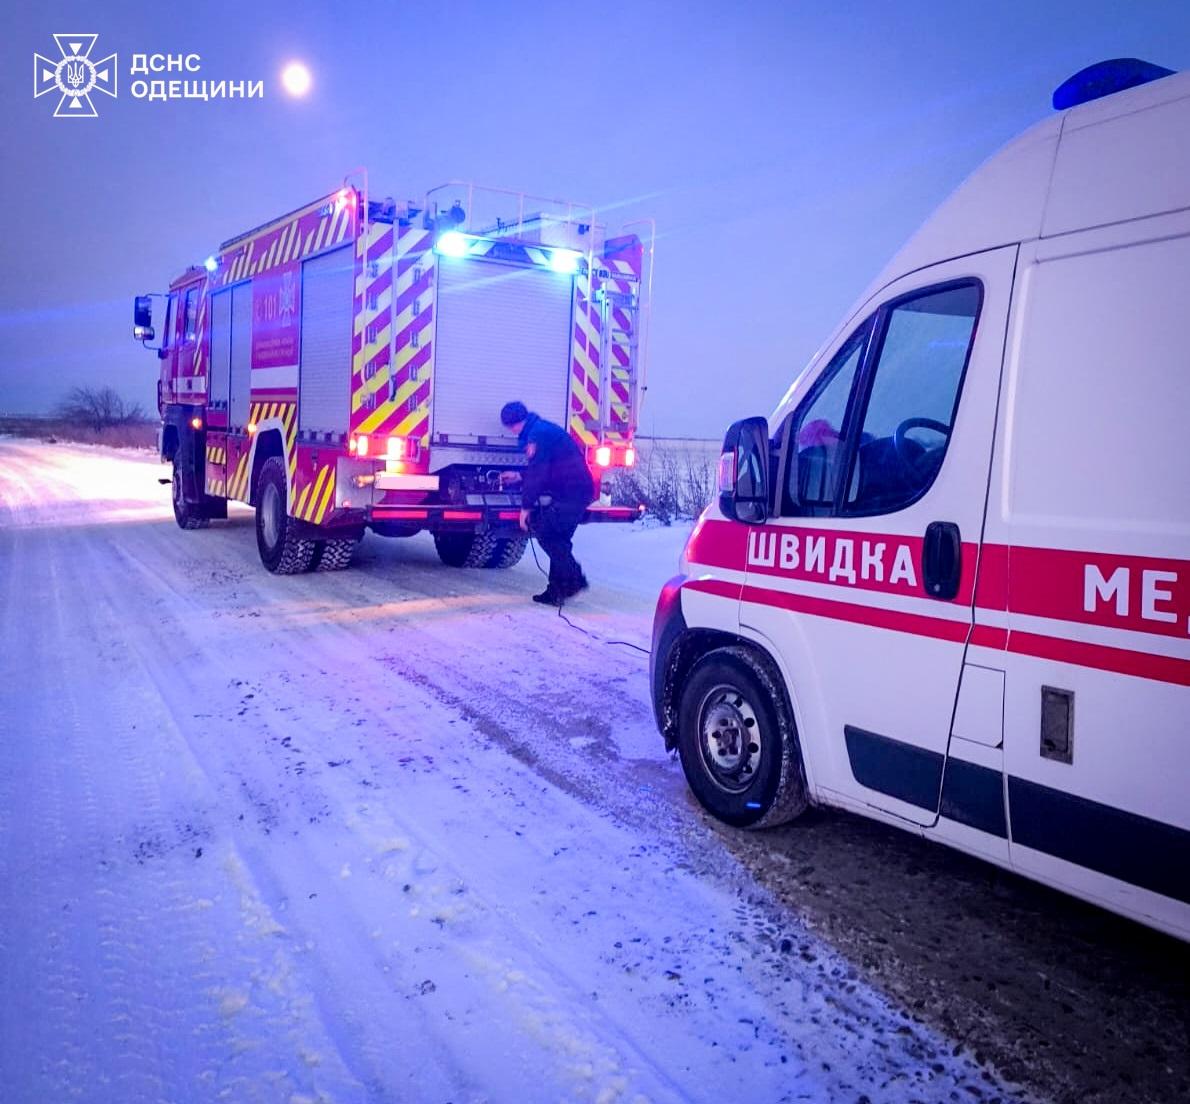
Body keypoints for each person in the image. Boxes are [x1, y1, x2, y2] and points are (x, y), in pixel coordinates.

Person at [499, 400, 596, 605]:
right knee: (558, 539)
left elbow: (538, 473)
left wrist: (525, 508)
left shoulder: (537, 435)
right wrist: (519, 476)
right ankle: (557, 592)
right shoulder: (541, 429)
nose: (513, 432)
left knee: (546, 534)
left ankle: (575, 580)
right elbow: (547, 468)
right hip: (576, 491)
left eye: (510, 427)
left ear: (515, 423)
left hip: (571, 494)